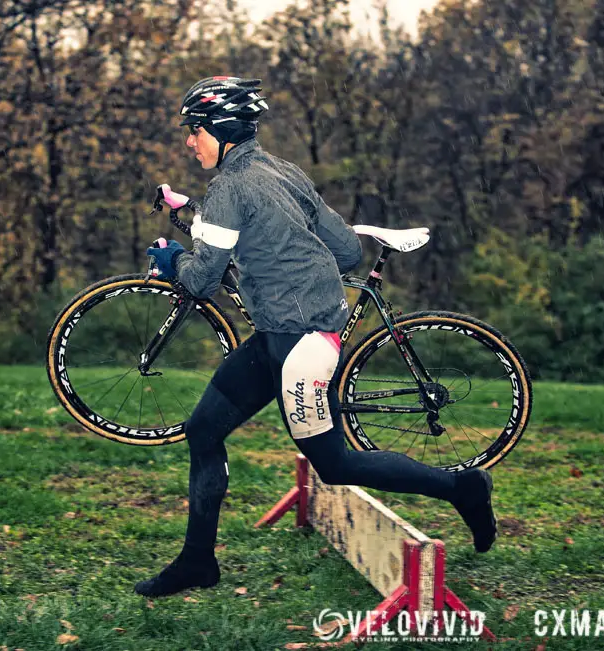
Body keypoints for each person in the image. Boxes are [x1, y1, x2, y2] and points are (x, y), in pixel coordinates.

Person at [134, 76, 496, 598]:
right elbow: (348, 252)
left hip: (304, 345)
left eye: (194, 130)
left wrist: (171, 259)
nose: (189, 142)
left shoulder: (231, 188)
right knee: (204, 431)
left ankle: (464, 487)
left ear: (220, 130)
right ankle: (197, 562)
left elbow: (199, 279)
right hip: (275, 338)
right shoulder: (284, 171)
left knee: (335, 463)